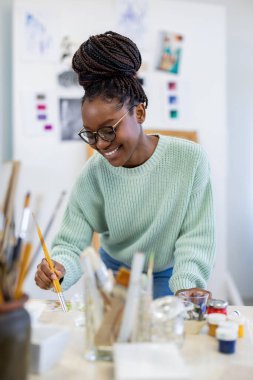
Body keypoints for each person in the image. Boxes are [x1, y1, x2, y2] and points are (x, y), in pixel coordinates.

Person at [35, 31, 216, 299]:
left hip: (169, 275)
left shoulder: (189, 160)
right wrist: (59, 269)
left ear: (139, 112)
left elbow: (196, 237)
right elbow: (71, 243)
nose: (100, 144)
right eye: (90, 134)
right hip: (113, 277)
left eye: (108, 130)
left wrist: (186, 285)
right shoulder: (94, 174)